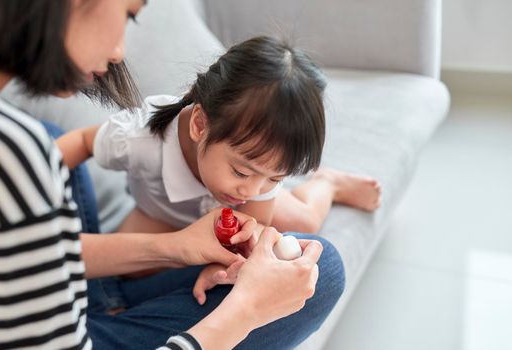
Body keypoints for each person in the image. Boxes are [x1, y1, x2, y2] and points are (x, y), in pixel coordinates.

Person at [0, 1, 345, 350]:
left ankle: (328, 184)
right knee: (321, 268)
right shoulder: (22, 152)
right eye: (129, 13)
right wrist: (246, 311)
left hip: (67, 295)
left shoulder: (14, 147)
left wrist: (197, 255)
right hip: (74, 319)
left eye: (273, 179)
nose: (118, 52)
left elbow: (44, 254)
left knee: (299, 239)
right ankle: (107, 310)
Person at [57, 36, 381, 238]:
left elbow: (252, 223)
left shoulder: (257, 176)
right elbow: (84, 141)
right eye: (241, 172)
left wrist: (229, 254)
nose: (252, 190)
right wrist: (35, 171)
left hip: (225, 217)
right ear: (199, 125)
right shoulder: (140, 140)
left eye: (275, 178)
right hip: (160, 215)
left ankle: (327, 184)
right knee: (127, 270)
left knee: (306, 222)